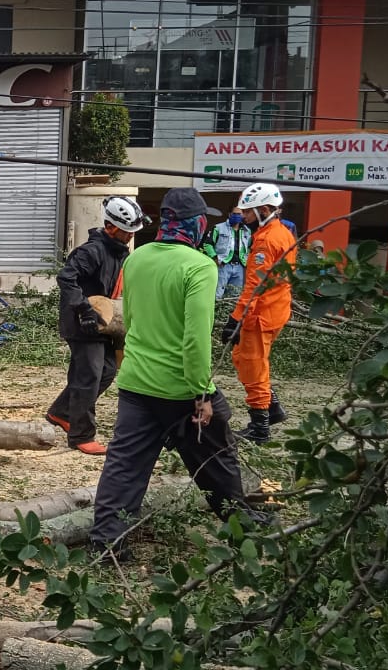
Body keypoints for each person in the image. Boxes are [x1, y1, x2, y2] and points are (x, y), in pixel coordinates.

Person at [90, 187, 253, 560]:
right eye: (204, 221)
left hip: (136, 383)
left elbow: (128, 320)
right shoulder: (199, 266)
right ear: (195, 224)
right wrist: (204, 393)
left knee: (124, 466)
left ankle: (107, 543)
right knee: (217, 458)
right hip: (182, 389)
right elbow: (195, 339)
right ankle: (241, 527)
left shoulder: (137, 258)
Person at [45, 196, 148, 455]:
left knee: (107, 372)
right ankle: (81, 435)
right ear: (111, 227)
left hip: (106, 323)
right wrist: (84, 309)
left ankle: (61, 412)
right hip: (83, 322)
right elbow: (66, 279)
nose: (130, 236)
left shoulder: (119, 253)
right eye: (127, 231)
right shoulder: (90, 252)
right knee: (88, 376)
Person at [220, 182, 297, 444]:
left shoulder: (266, 240)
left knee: (253, 365)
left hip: (261, 315)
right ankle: (272, 408)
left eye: (249, 212)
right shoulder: (283, 233)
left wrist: (235, 319)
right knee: (243, 358)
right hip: (275, 310)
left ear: (264, 209)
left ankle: (260, 426)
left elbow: (254, 286)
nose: (244, 217)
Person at [201, 207, 251, 299]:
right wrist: (215, 258)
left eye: (239, 214)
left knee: (235, 296)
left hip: (239, 267)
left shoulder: (246, 231)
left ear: (243, 215)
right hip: (223, 265)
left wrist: (247, 261)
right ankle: (215, 313)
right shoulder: (218, 228)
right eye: (234, 214)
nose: (237, 216)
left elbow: (249, 248)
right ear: (229, 214)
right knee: (218, 294)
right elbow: (207, 244)